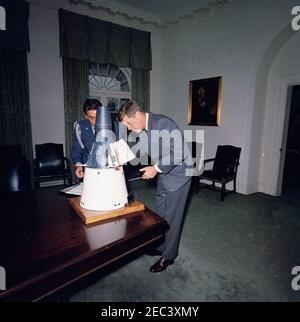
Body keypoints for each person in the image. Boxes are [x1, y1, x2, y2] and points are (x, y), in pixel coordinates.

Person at [117, 100, 192, 273]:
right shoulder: (145, 128)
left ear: (136, 115)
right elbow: (138, 149)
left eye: (128, 123)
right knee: (160, 214)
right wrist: (118, 160)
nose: (128, 128)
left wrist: (156, 168)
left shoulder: (163, 123)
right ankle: (159, 246)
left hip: (179, 176)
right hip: (165, 175)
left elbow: (179, 152)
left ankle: (169, 256)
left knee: (172, 218)